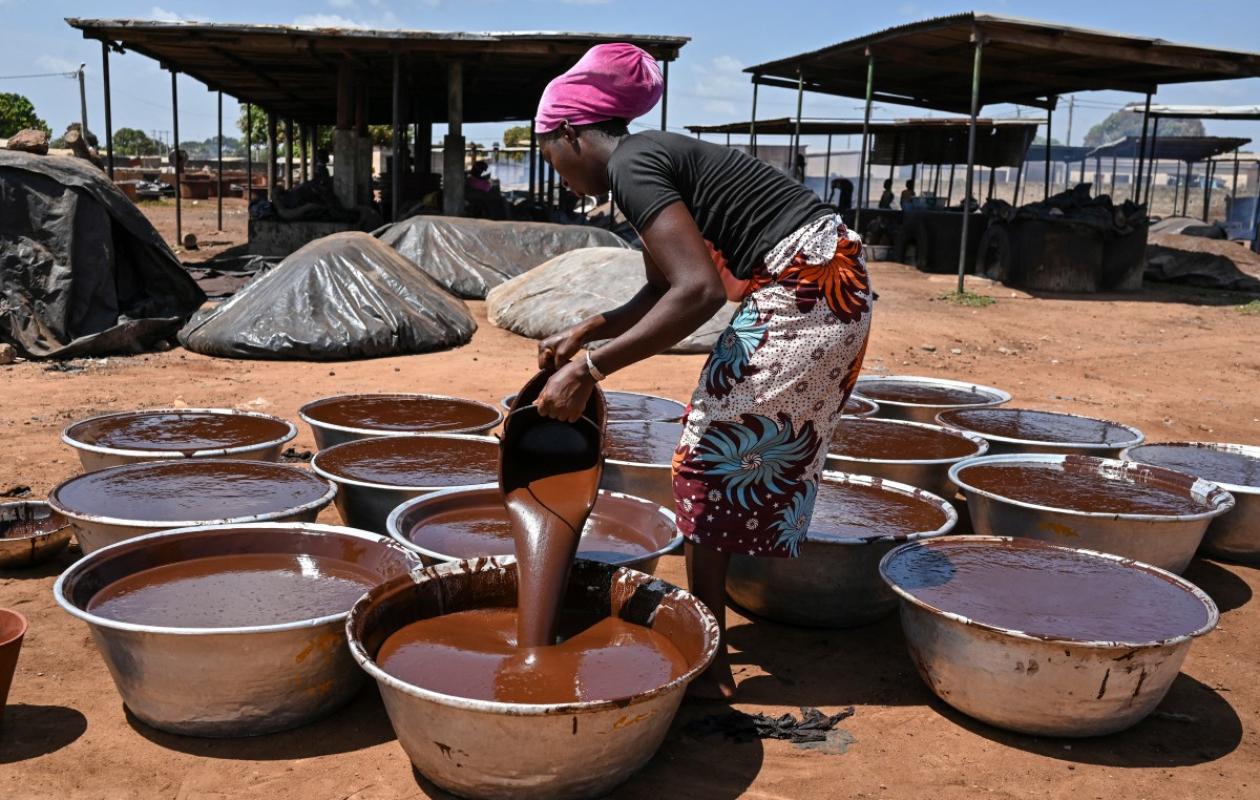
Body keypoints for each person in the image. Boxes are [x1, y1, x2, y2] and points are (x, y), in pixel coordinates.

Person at [530, 43, 873, 700]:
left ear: (571, 132)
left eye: (549, 154)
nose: (559, 175)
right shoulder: (646, 160)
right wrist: (588, 330)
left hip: (806, 291)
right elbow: (661, 287)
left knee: (704, 461)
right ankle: (708, 642)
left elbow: (699, 293)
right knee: (716, 458)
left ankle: (706, 661)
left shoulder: (633, 166)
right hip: (824, 285)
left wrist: (588, 371)